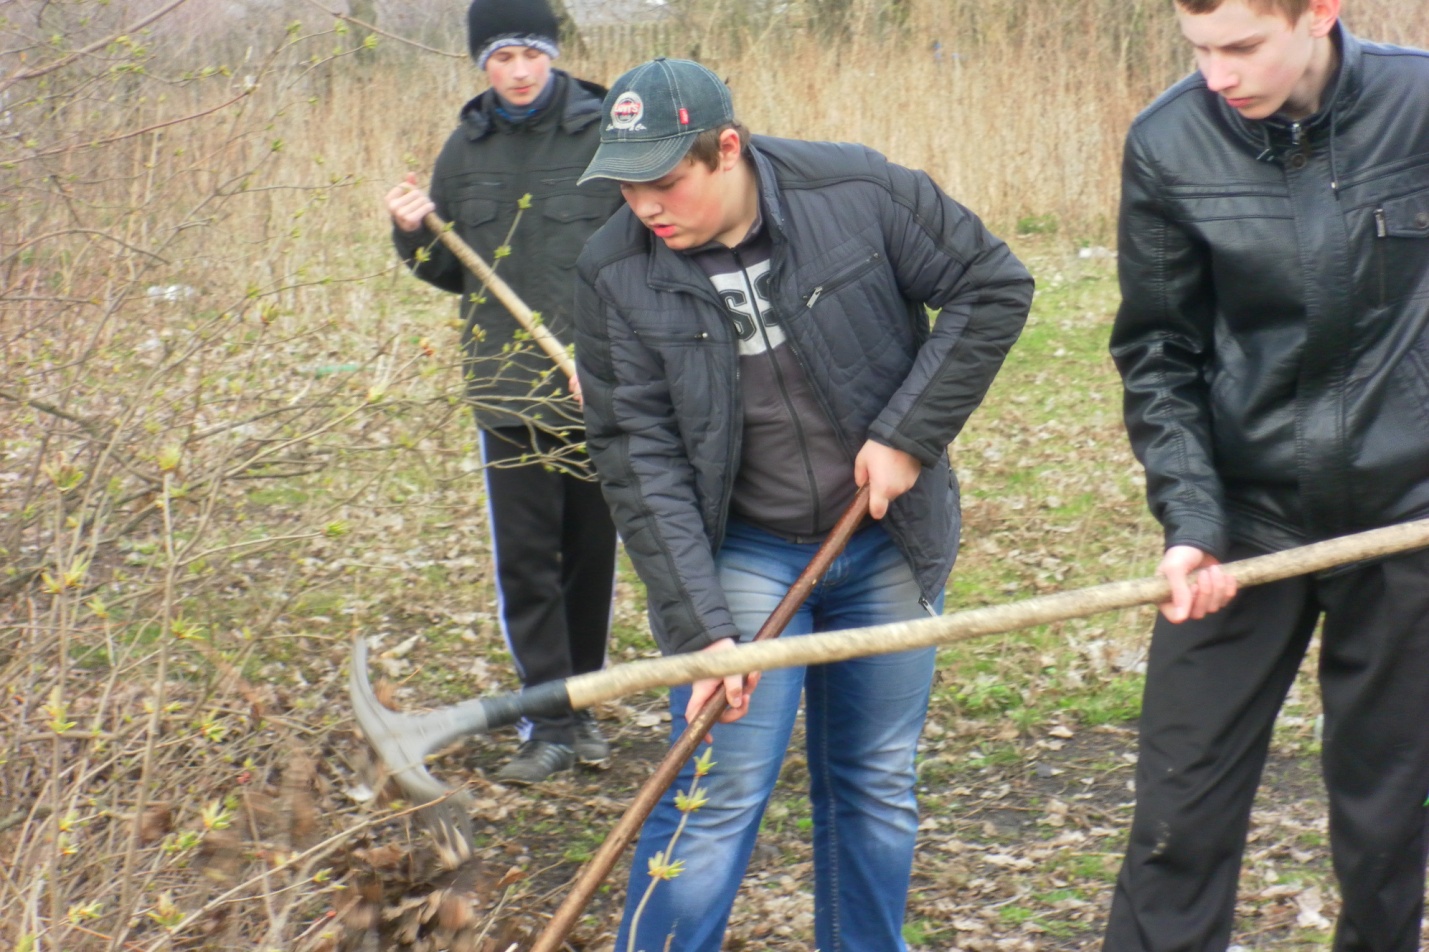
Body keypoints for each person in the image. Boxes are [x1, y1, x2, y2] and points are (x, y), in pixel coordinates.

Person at [572, 57, 1033, 952]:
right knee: (716, 789)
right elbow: (637, 455)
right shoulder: (613, 272)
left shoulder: (855, 192)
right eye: (627, 189)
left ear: (727, 149)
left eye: (665, 183)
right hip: (741, 553)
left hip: (886, 538)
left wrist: (905, 435)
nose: (646, 209)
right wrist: (703, 629)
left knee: (873, 780)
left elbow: (992, 285)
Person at [1103, 1, 1429, 949]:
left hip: (1406, 518)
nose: (1216, 74)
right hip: (1244, 524)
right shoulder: (1168, 140)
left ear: (1318, 12)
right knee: (1179, 809)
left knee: (1387, 816)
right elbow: (1158, 351)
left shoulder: (1421, 104)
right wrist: (1190, 519)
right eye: (1197, 48)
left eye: (1241, 46)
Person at [384, 0, 623, 785]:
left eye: (529, 53)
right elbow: (446, 274)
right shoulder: (464, 151)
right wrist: (414, 231)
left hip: (597, 386)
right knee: (527, 562)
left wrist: (620, 356)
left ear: (551, 53)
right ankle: (547, 722)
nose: (517, 71)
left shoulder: (604, 134)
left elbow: (652, 246)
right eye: (500, 57)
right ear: (480, 63)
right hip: (506, 389)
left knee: (590, 556)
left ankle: (578, 707)